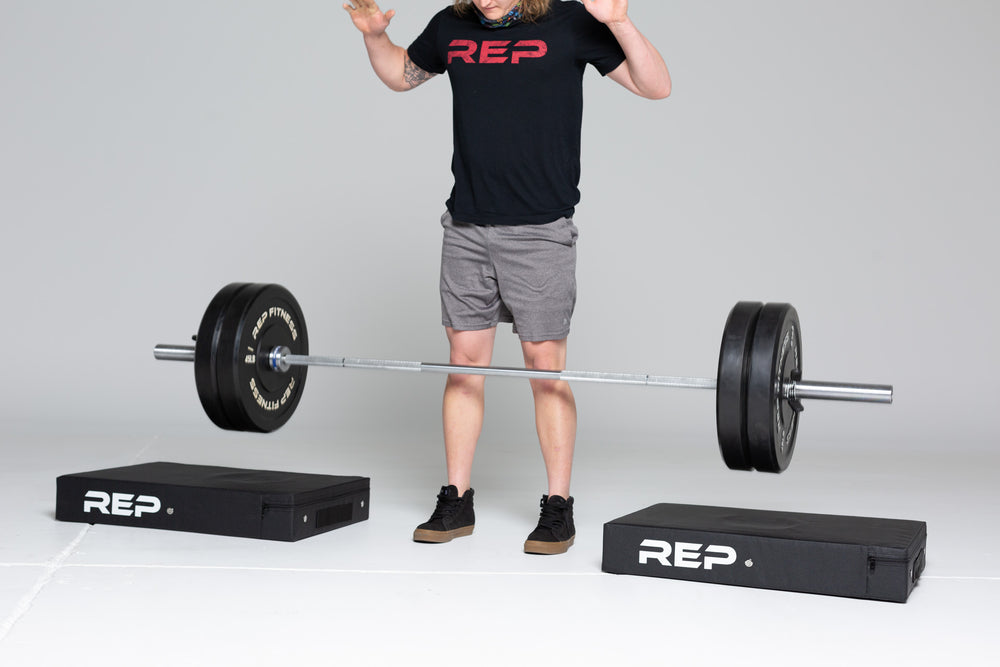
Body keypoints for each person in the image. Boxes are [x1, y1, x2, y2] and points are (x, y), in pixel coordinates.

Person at [344, 0, 670, 554]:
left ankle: (558, 506)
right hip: (467, 225)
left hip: (540, 231)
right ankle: (456, 498)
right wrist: (375, 37)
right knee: (464, 363)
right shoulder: (452, 25)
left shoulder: (571, 22)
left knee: (545, 369)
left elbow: (655, 86)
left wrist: (618, 21)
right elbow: (402, 75)